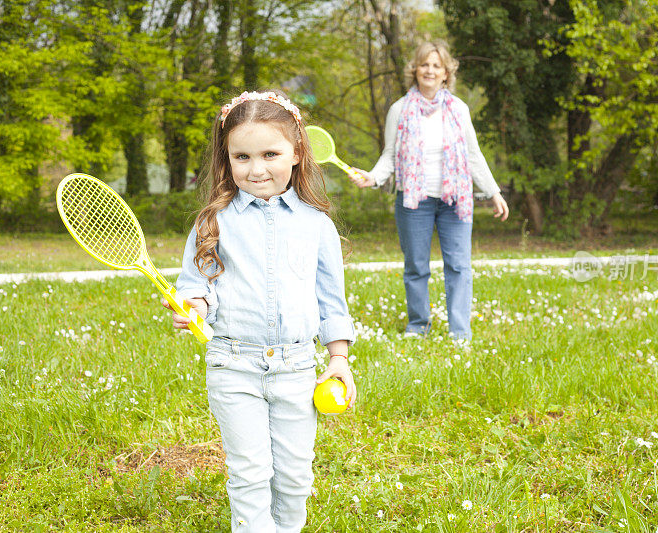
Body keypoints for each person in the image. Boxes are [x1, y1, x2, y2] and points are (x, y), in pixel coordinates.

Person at [164, 90, 356, 532]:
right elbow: (198, 286)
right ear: (227, 159)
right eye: (242, 156)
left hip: (296, 369)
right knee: (250, 474)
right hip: (233, 366)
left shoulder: (316, 224)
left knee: (293, 478)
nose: (256, 169)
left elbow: (332, 301)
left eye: (270, 153)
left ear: (297, 152)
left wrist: (339, 359)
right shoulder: (213, 221)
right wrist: (193, 305)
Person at [350, 40, 509, 342]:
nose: (430, 70)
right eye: (425, 64)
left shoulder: (458, 109)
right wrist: (372, 177)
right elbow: (390, 154)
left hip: (455, 201)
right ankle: (418, 326)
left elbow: (473, 155)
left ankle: (460, 333)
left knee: (459, 266)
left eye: (436, 66)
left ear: (446, 73)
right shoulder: (399, 109)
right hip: (414, 200)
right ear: (416, 69)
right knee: (415, 267)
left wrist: (494, 192)